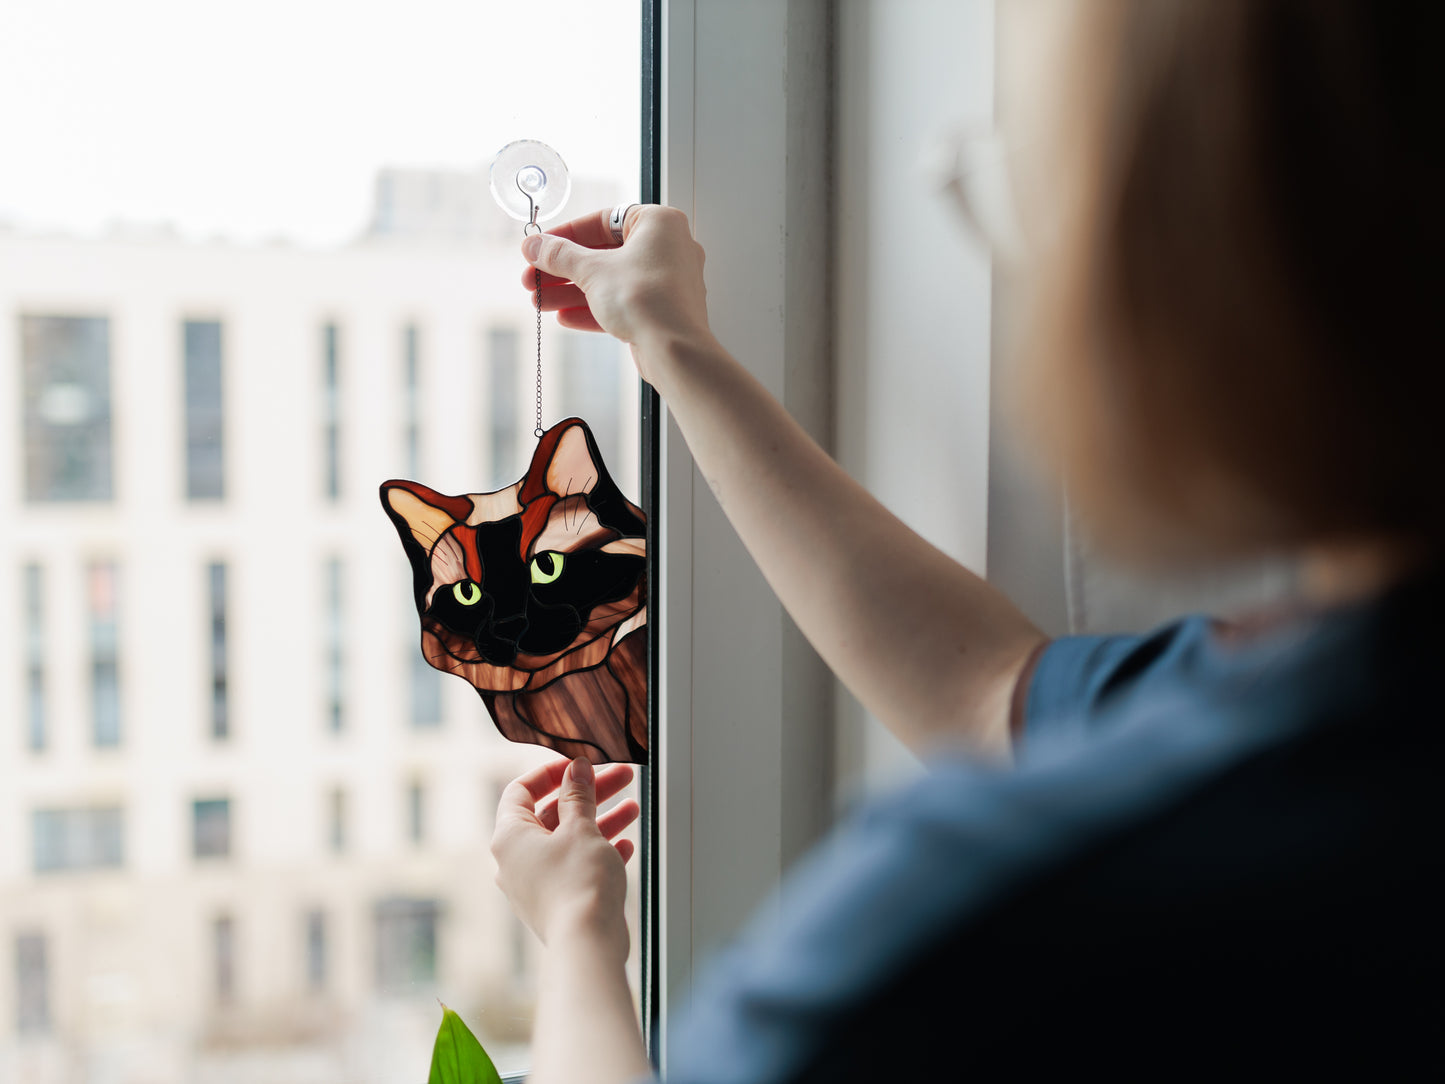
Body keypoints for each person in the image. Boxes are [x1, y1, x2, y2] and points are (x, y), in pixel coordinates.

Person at [490, 2, 1444, 1079]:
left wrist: (577, 936)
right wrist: (675, 348)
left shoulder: (993, 918)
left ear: (1215, 254)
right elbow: (990, 691)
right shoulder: (1323, 725)